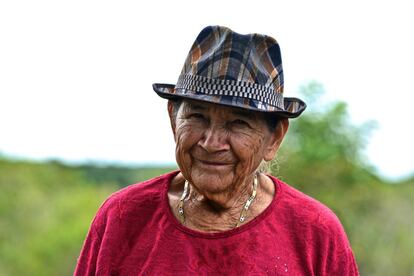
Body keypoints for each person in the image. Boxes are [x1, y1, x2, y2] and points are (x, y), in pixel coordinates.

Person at [74, 25, 359, 275]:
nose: (211, 142)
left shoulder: (314, 232)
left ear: (274, 138)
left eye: (238, 123)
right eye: (197, 117)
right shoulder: (122, 217)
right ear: (174, 119)